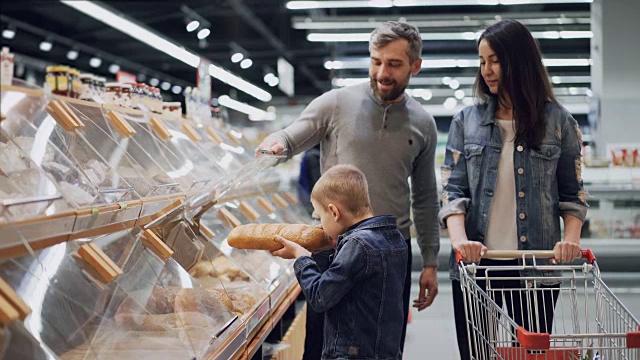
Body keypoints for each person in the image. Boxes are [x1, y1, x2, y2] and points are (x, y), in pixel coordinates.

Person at [256, 21, 440, 358]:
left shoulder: (423, 123)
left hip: (390, 254)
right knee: (324, 346)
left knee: (383, 346)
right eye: (376, 61)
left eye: (394, 64)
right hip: (335, 247)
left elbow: (426, 198)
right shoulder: (336, 103)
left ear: (416, 66)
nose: (382, 72)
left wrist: (430, 261)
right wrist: (276, 143)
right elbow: (294, 134)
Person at [438, 19, 588, 359]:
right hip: (478, 266)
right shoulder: (466, 122)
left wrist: (570, 243)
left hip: (535, 264)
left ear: (519, 61)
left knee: (531, 354)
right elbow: (452, 191)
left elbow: (573, 193)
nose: (487, 70)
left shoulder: (558, 122)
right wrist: (461, 243)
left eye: (495, 60)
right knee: (478, 354)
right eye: (482, 61)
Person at [271, 164, 407, 360]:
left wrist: (302, 258)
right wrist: (334, 248)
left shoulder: (357, 245)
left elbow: (320, 296)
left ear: (334, 212)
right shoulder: (394, 238)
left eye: (319, 216)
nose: (319, 224)